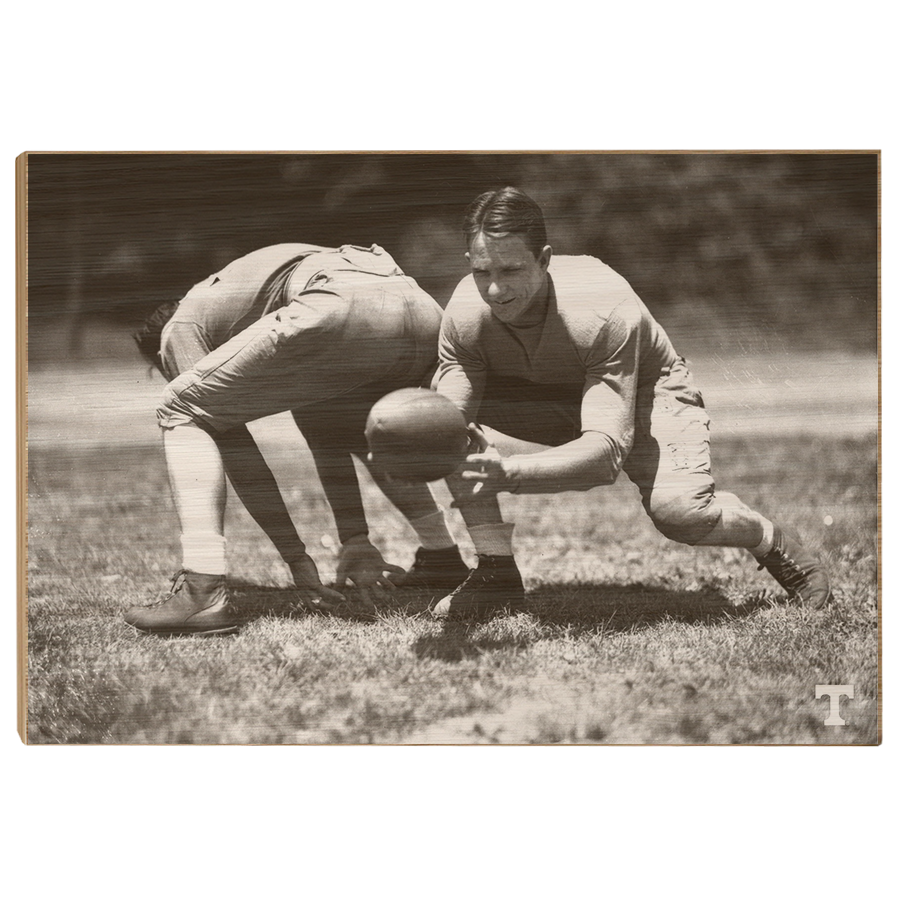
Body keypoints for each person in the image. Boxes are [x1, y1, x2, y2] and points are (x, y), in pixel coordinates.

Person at [430, 187, 833, 618]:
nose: (494, 288)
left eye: (511, 269)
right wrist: (424, 442)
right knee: (438, 425)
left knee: (680, 513)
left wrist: (509, 473)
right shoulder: (464, 311)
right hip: (548, 395)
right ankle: (496, 572)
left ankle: (767, 537)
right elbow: (450, 414)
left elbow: (604, 455)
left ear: (545, 260)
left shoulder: (602, 306)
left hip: (644, 393)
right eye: (481, 271)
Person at [124, 242, 466, 635]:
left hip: (339, 303)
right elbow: (326, 431)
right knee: (379, 428)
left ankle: (201, 592)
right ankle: (444, 555)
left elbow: (233, 448)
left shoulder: (180, 328)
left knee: (180, 407)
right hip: (419, 304)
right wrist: (354, 537)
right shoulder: (250, 295)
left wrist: (296, 557)